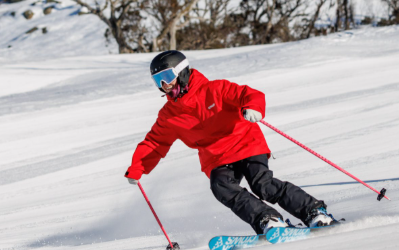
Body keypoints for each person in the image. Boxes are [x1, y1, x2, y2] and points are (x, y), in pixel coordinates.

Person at [125, 50, 334, 234]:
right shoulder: (169, 115)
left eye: (167, 76)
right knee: (220, 186)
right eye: (157, 80)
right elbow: (155, 142)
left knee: (263, 184)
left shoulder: (215, 89)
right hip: (216, 157)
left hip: (245, 143)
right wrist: (137, 168)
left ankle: (314, 211)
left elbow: (248, 94)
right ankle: (267, 219)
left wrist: (253, 107)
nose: (164, 85)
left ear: (182, 72)